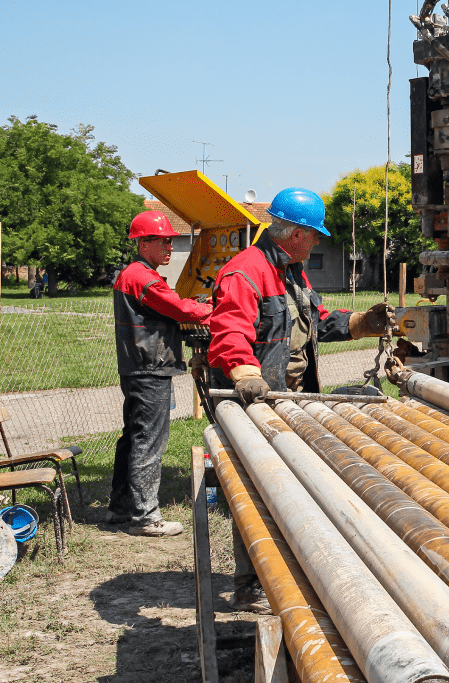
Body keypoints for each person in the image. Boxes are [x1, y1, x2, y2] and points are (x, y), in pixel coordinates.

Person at [207, 187, 393, 612]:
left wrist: (363, 323)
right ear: (295, 234)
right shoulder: (246, 272)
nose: (317, 242)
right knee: (256, 490)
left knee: (290, 486)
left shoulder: (291, 272)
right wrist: (246, 373)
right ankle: (251, 583)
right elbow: (230, 331)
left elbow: (316, 323)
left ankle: (288, 569)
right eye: (314, 235)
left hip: (285, 397)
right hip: (254, 396)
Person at [110, 210, 213, 536]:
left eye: (170, 241)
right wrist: (215, 309)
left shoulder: (134, 274)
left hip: (139, 367)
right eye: (163, 241)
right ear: (143, 244)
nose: (170, 247)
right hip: (148, 368)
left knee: (132, 438)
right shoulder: (143, 277)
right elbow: (181, 309)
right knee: (148, 442)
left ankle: (120, 508)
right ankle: (145, 518)